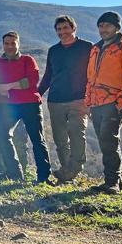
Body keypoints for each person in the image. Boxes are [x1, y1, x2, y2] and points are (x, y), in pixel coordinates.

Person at [85, 11, 122, 194]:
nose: (103, 29)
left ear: (117, 27)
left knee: (109, 140)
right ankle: (115, 181)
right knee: (104, 142)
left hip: (114, 103)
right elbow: (90, 78)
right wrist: (89, 101)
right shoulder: (96, 48)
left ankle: (112, 183)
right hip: (96, 103)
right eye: (101, 26)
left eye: (107, 25)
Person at [0, 31, 52, 183]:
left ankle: (44, 177)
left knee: (37, 139)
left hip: (30, 103)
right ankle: (15, 174)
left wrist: (7, 87)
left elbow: (31, 81)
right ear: (3, 45)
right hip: (7, 106)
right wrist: (15, 85)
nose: (10, 46)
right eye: (7, 43)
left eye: (13, 43)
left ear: (18, 44)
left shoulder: (28, 60)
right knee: (2, 134)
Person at [37, 16, 93, 183]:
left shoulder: (86, 47)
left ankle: (74, 169)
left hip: (79, 100)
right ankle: (66, 175)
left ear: (73, 28)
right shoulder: (53, 50)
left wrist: (92, 96)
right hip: (55, 100)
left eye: (65, 28)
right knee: (60, 140)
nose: (62, 32)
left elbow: (93, 75)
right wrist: (38, 93)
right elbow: (48, 74)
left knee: (77, 134)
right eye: (59, 29)